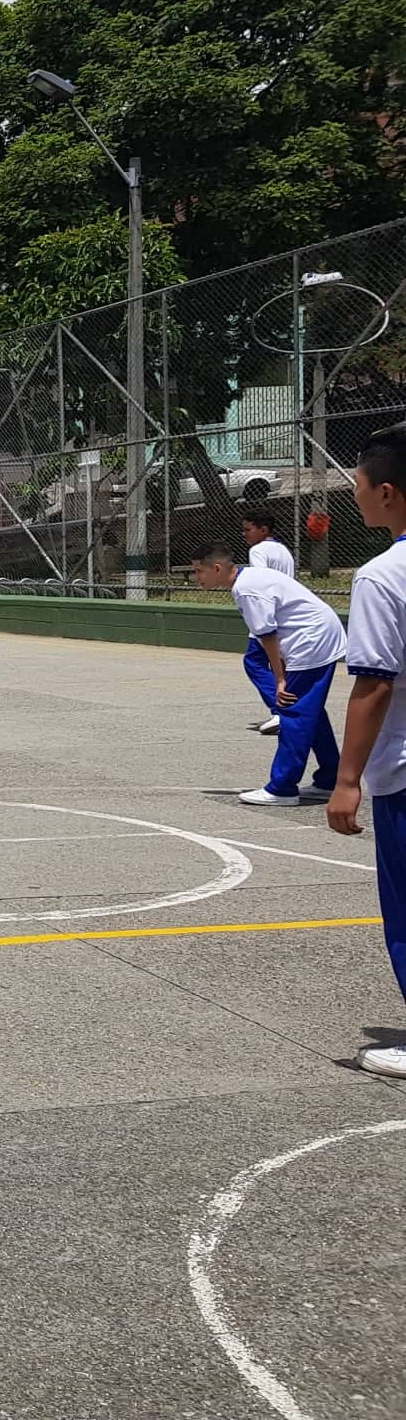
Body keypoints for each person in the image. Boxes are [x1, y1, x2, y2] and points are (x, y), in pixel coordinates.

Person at [328, 425, 406, 1078]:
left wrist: (347, 777)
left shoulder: (382, 577)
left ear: (388, 493)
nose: (353, 495)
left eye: (357, 485)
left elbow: (374, 682)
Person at [192, 541, 343, 806]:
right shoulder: (247, 580)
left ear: (216, 568)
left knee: (292, 712)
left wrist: (280, 679)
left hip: (310, 642)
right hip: (318, 636)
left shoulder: (246, 589)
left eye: (198, 571)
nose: (196, 578)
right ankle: (330, 780)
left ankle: (282, 788)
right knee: (311, 713)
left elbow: (268, 636)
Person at [242, 508, 299, 734]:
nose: (244, 534)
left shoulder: (258, 550)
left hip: (268, 615)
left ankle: (279, 711)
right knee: (281, 666)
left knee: (253, 662)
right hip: (285, 613)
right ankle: (288, 710)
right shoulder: (284, 551)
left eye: (248, 529)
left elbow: (260, 583)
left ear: (263, 530)